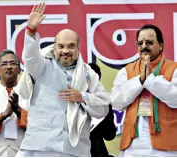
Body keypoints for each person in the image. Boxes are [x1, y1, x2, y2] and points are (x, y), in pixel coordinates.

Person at [15, 3, 110, 157]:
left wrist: (82, 97)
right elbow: (30, 58)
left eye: (71, 46)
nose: (65, 51)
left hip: (74, 149)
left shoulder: (88, 74)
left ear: (78, 49)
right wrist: (31, 31)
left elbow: (104, 107)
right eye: (61, 46)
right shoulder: (42, 66)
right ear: (55, 48)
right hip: (40, 146)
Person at [110, 24, 177, 156]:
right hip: (132, 146)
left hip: (166, 148)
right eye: (140, 43)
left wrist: (150, 80)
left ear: (161, 45)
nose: (144, 46)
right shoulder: (127, 71)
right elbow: (116, 102)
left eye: (149, 42)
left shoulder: (174, 68)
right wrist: (139, 81)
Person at [0, 49, 27, 157]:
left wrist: (19, 111)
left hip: (24, 151)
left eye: (13, 63)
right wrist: (2, 116)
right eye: (4, 64)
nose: (9, 67)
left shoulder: (30, 94)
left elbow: (40, 124)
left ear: (19, 69)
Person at [89, 63, 116, 157]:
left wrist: (105, 116)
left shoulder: (104, 101)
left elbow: (109, 135)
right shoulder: (72, 98)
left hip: (98, 153)